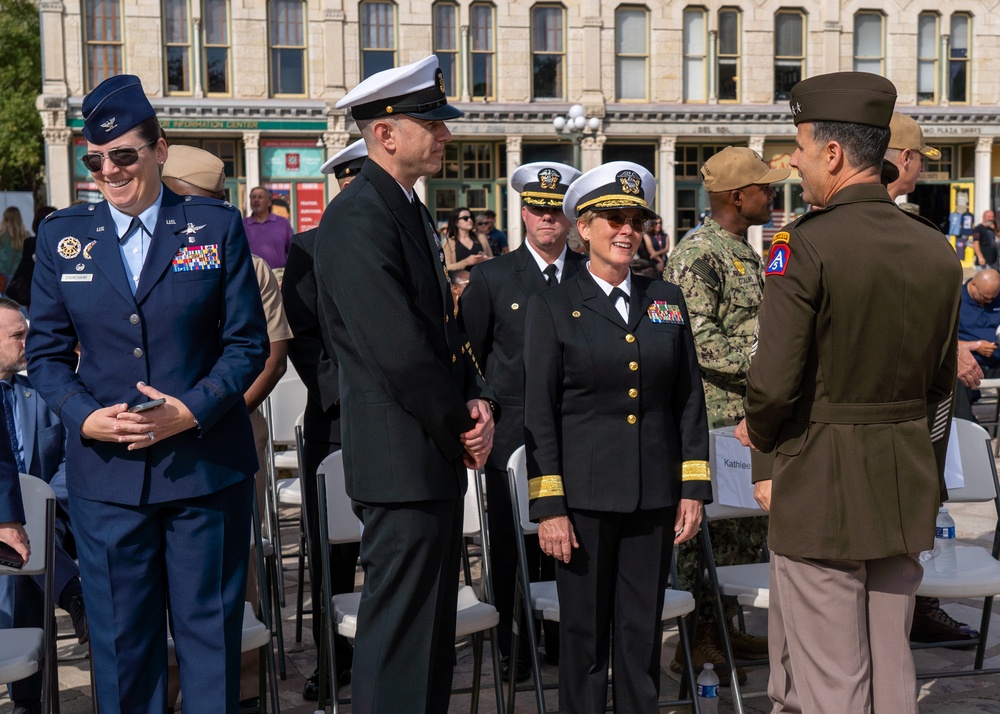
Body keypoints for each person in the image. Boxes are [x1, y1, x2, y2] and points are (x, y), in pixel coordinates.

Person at [26, 74, 268, 714]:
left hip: (205, 470)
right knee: (121, 650)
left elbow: (248, 343)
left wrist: (192, 408)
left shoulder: (213, 227)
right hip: (108, 481)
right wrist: (85, 419)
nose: (109, 170)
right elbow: (45, 356)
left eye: (124, 154)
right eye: (95, 159)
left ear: (159, 150)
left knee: (210, 644)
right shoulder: (61, 237)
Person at [736, 71, 961, 714]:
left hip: (820, 479)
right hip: (903, 479)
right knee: (890, 669)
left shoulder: (801, 245)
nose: (795, 163)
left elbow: (773, 379)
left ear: (833, 154)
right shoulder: (937, 251)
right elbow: (941, 391)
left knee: (829, 678)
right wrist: (926, 470)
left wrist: (765, 453)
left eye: (801, 148)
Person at [313, 55, 496, 713]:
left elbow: (443, 331)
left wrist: (477, 401)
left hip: (427, 457)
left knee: (427, 640)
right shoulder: (360, 217)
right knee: (398, 640)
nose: (445, 133)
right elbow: (399, 351)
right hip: (402, 459)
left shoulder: (406, 211)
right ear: (386, 133)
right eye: (431, 122)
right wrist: (461, 426)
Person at [524, 161, 711, 714]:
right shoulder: (554, 305)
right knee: (583, 639)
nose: (626, 230)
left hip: (652, 496)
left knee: (639, 635)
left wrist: (692, 488)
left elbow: (688, 400)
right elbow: (540, 413)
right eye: (612, 219)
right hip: (582, 501)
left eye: (635, 219)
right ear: (582, 228)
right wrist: (550, 505)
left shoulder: (666, 298)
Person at [161, 143, 294, 709]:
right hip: (154, 437)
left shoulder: (251, 262)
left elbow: (273, 351)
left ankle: (240, 691)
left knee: (233, 566)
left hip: (231, 431)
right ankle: (168, 689)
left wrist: (219, 411)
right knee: (161, 572)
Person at [664, 146, 789, 684]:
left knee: (741, 534)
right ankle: (694, 641)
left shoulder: (741, 250)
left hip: (746, 416)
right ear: (739, 197)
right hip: (715, 418)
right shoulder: (699, 256)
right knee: (707, 536)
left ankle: (723, 625)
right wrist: (771, 368)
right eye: (765, 187)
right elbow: (700, 342)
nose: (773, 193)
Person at [458, 160, 583, 680]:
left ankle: (562, 636)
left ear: (571, 217)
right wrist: (480, 400)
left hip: (575, 428)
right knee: (511, 543)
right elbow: (468, 352)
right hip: (512, 429)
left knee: (567, 535)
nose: (547, 219)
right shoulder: (491, 277)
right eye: (537, 210)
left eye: (556, 210)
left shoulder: (586, 272)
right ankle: (514, 642)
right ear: (523, 214)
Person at [884, 114, 984, 647]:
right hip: (885, 407)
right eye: (920, 159)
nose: (922, 171)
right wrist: (951, 347)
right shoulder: (849, 227)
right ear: (901, 157)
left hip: (927, 396)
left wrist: (955, 346)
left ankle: (921, 607)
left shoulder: (915, 227)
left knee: (928, 506)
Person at [282, 136, 367, 702]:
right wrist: (351, 394)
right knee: (330, 554)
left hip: (397, 420)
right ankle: (333, 662)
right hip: (337, 419)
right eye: (349, 183)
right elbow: (304, 340)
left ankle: (383, 651)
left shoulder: (413, 239)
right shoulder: (307, 248)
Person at [0, 297, 87, 714]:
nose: (28, 343)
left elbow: (73, 455)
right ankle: (74, 596)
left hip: (49, 519)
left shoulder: (41, 389)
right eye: (18, 336)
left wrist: (43, 500)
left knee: (30, 536)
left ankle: (28, 702)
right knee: (21, 545)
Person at [6, 206, 56, 309]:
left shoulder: (31, 242)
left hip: (34, 291)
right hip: (54, 291)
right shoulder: (58, 243)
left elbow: (27, 268)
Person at [885, 112, 940, 201]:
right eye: (921, 160)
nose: (922, 169)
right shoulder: (887, 213)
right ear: (906, 158)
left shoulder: (857, 204)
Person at [244, 186, 293, 270]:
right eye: (253, 197)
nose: (256, 200)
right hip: (251, 276)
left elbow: (293, 251)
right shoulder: (242, 225)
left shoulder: (283, 223)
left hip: (278, 277)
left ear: (269, 202)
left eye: (260, 197)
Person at [443, 206, 491, 271]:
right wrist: (466, 262)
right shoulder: (449, 242)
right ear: (456, 223)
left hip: (482, 279)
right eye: (465, 218)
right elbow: (446, 267)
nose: (470, 220)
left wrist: (485, 259)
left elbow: (492, 259)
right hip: (462, 280)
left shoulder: (481, 237)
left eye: (471, 217)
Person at [0, 209, 28, 294]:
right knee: (19, 304)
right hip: (21, 278)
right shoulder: (26, 236)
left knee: (4, 305)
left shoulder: (1, 236)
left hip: (3, 277)